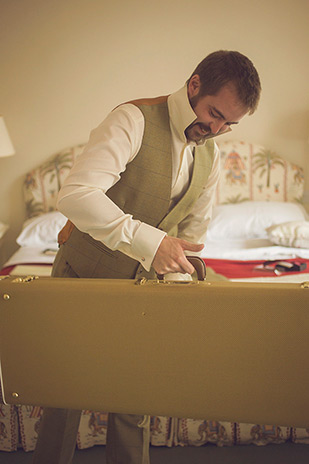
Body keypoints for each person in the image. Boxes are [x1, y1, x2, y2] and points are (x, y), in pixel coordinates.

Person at [32, 50, 261, 464]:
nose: (217, 128)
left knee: (134, 405)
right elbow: (76, 195)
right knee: (63, 399)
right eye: (214, 113)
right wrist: (149, 242)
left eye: (230, 123)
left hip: (143, 295)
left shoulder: (209, 158)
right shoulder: (131, 120)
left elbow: (192, 233)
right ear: (194, 86)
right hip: (81, 276)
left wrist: (183, 283)